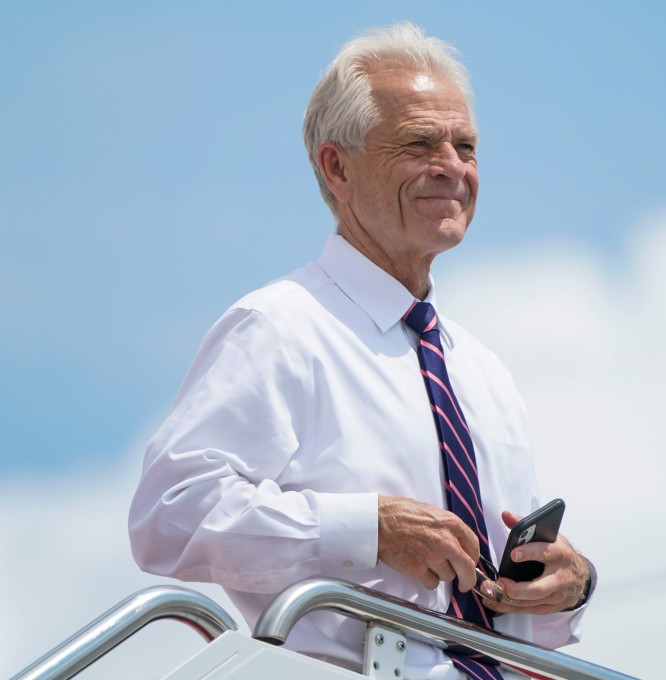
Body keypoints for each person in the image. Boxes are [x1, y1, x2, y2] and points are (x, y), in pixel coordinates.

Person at [128, 22, 593, 679]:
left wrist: (566, 588)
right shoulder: (278, 328)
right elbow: (168, 514)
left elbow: (508, 613)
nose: (453, 167)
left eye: (466, 145)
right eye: (419, 143)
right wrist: (366, 531)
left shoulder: (483, 371)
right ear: (337, 167)